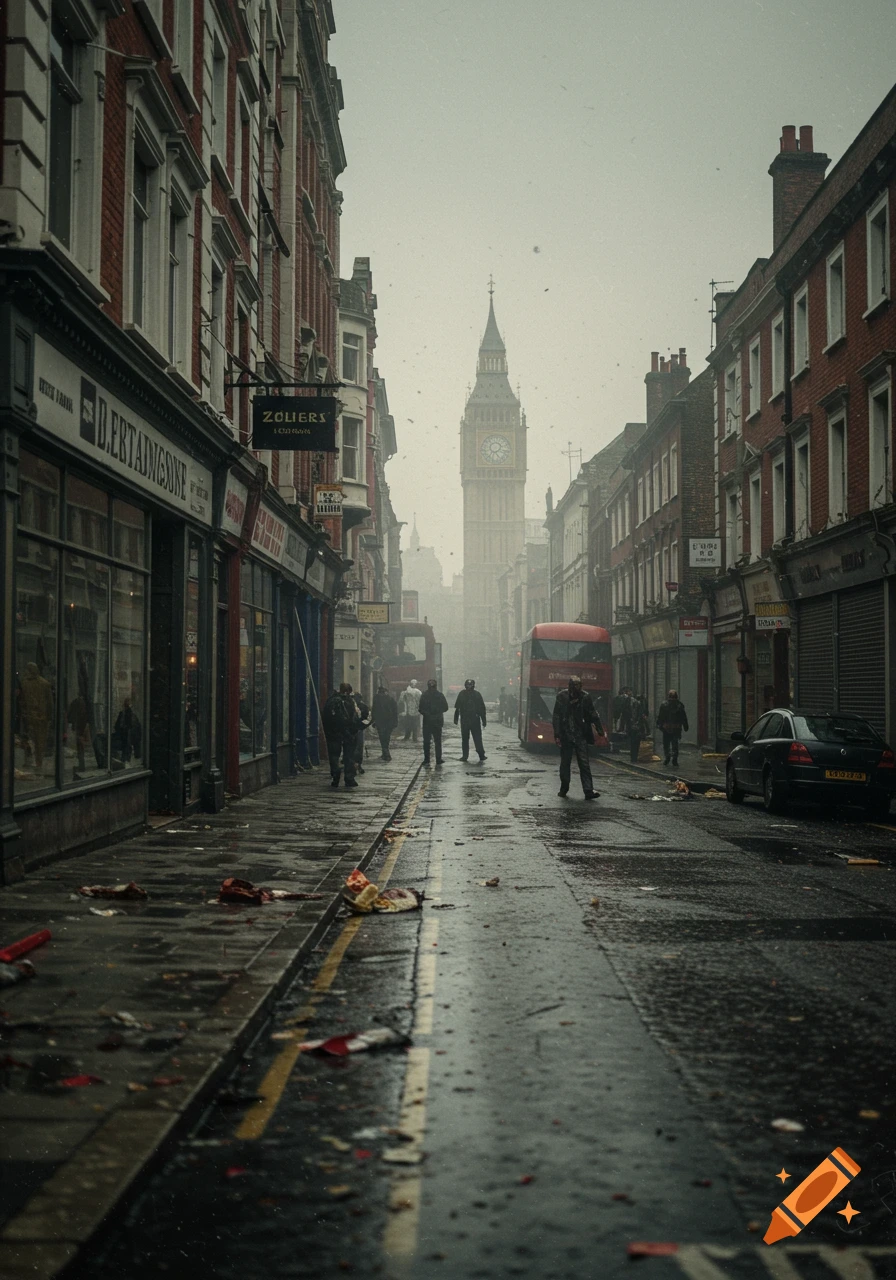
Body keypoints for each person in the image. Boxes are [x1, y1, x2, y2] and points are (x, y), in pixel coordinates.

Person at [553, 675, 603, 800]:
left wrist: (599, 728)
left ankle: (588, 790)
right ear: (570, 685)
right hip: (567, 734)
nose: (578, 688)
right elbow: (557, 716)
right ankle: (564, 789)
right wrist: (557, 734)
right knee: (565, 763)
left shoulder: (585, 697)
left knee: (584, 764)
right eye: (575, 685)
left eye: (579, 685)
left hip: (581, 734)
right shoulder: (561, 696)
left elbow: (592, 713)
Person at [322, 682, 361, 788]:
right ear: (348, 691)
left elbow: (325, 717)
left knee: (334, 756)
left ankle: (335, 774)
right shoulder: (350, 701)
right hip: (348, 733)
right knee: (349, 756)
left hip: (333, 733)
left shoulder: (331, 701)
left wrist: (328, 732)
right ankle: (349, 778)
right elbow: (356, 717)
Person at [454, 678, 487, 762]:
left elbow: (457, 708)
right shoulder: (477, 694)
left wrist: (456, 718)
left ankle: (465, 756)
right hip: (474, 719)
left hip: (465, 720)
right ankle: (481, 755)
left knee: (465, 739)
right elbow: (482, 709)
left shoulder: (462, 694)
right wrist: (483, 720)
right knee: (477, 738)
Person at [418, 678, 449, 766]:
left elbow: (420, 708)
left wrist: (427, 714)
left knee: (427, 741)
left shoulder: (424, 695)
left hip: (427, 721)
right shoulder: (440, 695)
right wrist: (438, 713)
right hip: (437, 721)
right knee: (437, 741)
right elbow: (446, 708)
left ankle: (426, 759)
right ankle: (438, 759)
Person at [656, 689, 689, 767]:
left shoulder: (664, 705)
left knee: (666, 744)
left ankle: (667, 757)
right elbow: (683, 717)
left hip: (666, 727)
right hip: (676, 728)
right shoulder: (680, 705)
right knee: (675, 744)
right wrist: (685, 726)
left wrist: (659, 724)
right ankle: (674, 758)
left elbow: (661, 716)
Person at [618, 686, 648, 764]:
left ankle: (634, 757)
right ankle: (634, 757)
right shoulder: (629, 701)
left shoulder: (634, 702)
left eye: (628, 692)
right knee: (634, 741)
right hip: (633, 725)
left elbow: (625, 714)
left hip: (633, 725)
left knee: (634, 741)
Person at [372, 685, 398, 760]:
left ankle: (386, 753)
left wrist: (373, 721)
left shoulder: (376, 698)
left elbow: (374, 710)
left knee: (382, 737)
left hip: (380, 721)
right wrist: (395, 722)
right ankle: (385, 752)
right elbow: (395, 712)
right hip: (389, 722)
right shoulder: (391, 699)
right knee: (387, 737)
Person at [352, 690, 371, 775]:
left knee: (357, 748)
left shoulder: (363, 706)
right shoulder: (351, 706)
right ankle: (356, 764)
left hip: (357, 729)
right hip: (356, 729)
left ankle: (357, 764)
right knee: (357, 748)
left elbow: (367, 718)